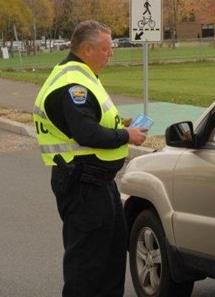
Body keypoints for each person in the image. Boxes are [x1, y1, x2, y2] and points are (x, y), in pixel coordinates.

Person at [32, 20, 148, 297]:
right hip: (84, 183)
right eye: (107, 49)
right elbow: (86, 132)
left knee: (110, 255)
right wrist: (125, 136)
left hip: (97, 182)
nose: (111, 54)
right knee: (88, 265)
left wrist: (120, 127)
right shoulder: (74, 84)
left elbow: (87, 123)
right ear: (87, 49)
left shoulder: (80, 76)